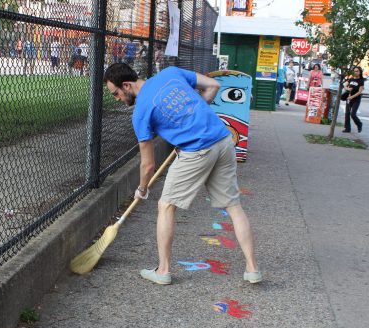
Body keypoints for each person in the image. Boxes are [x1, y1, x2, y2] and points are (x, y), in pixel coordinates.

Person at [103, 63, 261, 286]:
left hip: (197, 151)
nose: (117, 98)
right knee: (233, 205)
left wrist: (142, 188)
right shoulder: (171, 73)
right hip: (223, 141)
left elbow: (148, 165)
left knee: (166, 205)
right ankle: (252, 269)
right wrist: (196, 112)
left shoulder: (140, 112)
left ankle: (163, 271)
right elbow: (213, 85)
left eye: (116, 93)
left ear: (126, 85)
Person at [343, 66, 365, 133]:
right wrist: (347, 89)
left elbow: (359, 92)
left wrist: (352, 97)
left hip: (356, 99)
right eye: (354, 71)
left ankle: (359, 124)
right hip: (349, 99)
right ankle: (347, 128)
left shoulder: (361, 81)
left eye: (357, 71)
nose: (355, 72)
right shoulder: (351, 79)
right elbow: (345, 85)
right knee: (347, 114)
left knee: (353, 114)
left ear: (360, 72)